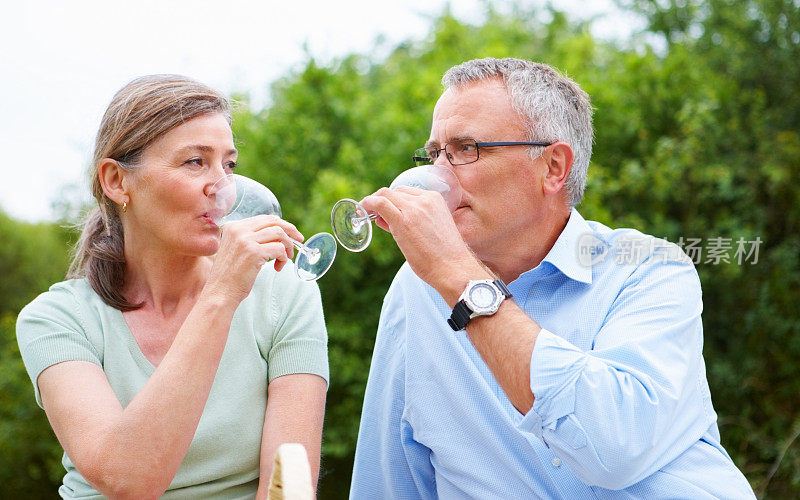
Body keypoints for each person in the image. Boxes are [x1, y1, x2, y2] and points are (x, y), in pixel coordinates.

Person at [350, 58, 754, 498]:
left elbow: (613, 448)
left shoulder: (649, 267)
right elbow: (391, 478)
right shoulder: (418, 286)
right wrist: (446, 273)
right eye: (434, 154)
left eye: (466, 149)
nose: (439, 175)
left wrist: (460, 279)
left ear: (553, 167)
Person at [16, 75, 328, 499]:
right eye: (195, 162)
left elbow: (290, 484)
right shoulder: (56, 320)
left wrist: (226, 288)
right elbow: (128, 479)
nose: (223, 187)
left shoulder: (285, 292)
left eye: (229, 164)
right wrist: (221, 295)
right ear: (116, 181)